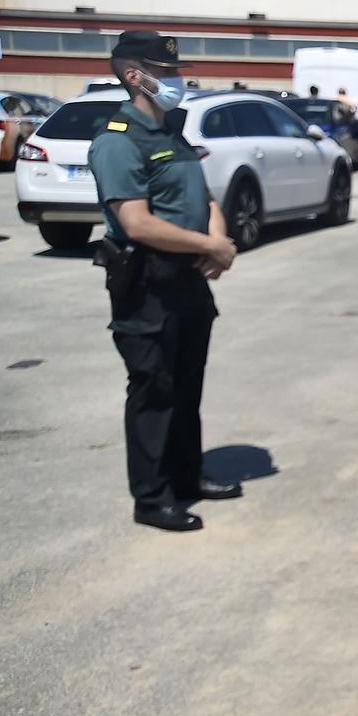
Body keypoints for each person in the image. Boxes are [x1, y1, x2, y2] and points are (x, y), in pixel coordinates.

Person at [88, 31, 242, 533]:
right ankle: (152, 499)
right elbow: (136, 222)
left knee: (186, 386)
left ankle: (186, 475)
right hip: (147, 285)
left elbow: (207, 198)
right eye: (167, 72)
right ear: (135, 75)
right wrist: (209, 247)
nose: (177, 80)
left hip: (189, 282)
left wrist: (217, 240)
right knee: (154, 390)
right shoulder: (117, 140)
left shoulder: (171, 132)